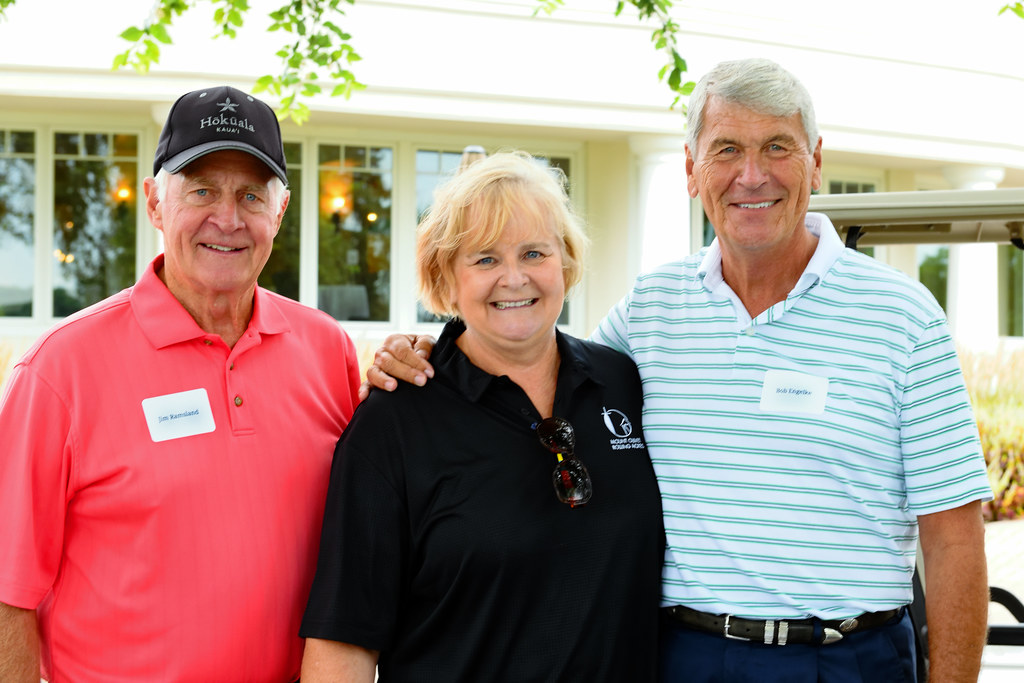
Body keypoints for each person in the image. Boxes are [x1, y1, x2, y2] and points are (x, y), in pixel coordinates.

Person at [362, 59, 993, 682]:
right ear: (692, 170)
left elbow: (955, 541)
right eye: (726, 150)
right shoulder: (651, 308)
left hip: (847, 659)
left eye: (777, 146)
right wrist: (433, 350)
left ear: (816, 161)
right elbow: (533, 362)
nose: (751, 175)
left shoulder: (904, 316)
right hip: (684, 658)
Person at [0, 85, 361, 682]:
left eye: (251, 195)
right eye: (201, 190)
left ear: (279, 213)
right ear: (154, 203)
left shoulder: (328, 352)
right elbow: (7, 593)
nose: (228, 219)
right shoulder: (59, 370)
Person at [299, 151, 665, 682]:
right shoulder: (394, 423)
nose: (514, 279)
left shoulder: (623, 383)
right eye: (486, 259)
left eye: (534, 253)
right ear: (446, 278)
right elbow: (343, 641)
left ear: (565, 263)